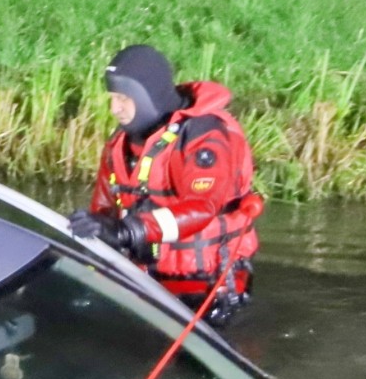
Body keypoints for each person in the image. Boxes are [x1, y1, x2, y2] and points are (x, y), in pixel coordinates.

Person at [69, 43, 262, 326]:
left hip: (206, 285)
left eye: (123, 98)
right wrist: (94, 225)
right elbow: (105, 206)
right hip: (148, 277)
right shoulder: (120, 144)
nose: (114, 109)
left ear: (148, 94)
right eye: (112, 98)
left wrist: (127, 231)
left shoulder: (203, 137)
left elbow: (201, 208)